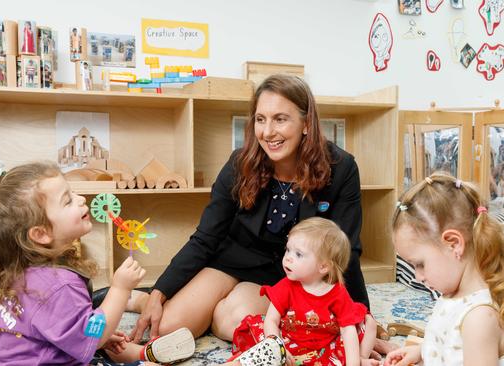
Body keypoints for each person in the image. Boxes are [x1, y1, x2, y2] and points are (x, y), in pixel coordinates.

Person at [127, 74, 394, 355]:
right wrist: (159, 291)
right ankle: (140, 300)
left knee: (230, 318)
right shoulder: (239, 162)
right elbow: (205, 237)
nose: (268, 132)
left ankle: (210, 307)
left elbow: (346, 251)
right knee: (169, 326)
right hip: (232, 260)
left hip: (289, 275)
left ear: (306, 123)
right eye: (260, 119)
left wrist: (360, 317)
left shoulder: (342, 168)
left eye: (280, 119)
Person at [0, 160, 194, 365]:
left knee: (107, 347)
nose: (81, 200)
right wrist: (121, 288)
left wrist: (81, 335)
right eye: (67, 200)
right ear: (40, 234)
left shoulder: (15, 272)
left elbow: (44, 326)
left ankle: (141, 352)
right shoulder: (58, 286)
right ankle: (145, 356)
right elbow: (95, 335)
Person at [384, 173, 504, 366]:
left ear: (454, 244)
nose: (417, 276)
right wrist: (423, 352)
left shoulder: (479, 318)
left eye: (420, 264)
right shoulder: (453, 295)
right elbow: (450, 344)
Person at [225, 217, 378, 366]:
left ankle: (362, 357)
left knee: (368, 323)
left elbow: (347, 331)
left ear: (324, 267)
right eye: (288, 250)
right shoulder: (286, 285)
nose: (287, 258)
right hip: (289, 339)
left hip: (327, 343)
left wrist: (353, 362)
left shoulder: (338, 293)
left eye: (298, 254)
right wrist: (276, 345)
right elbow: (271, 320)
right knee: (259, 332)